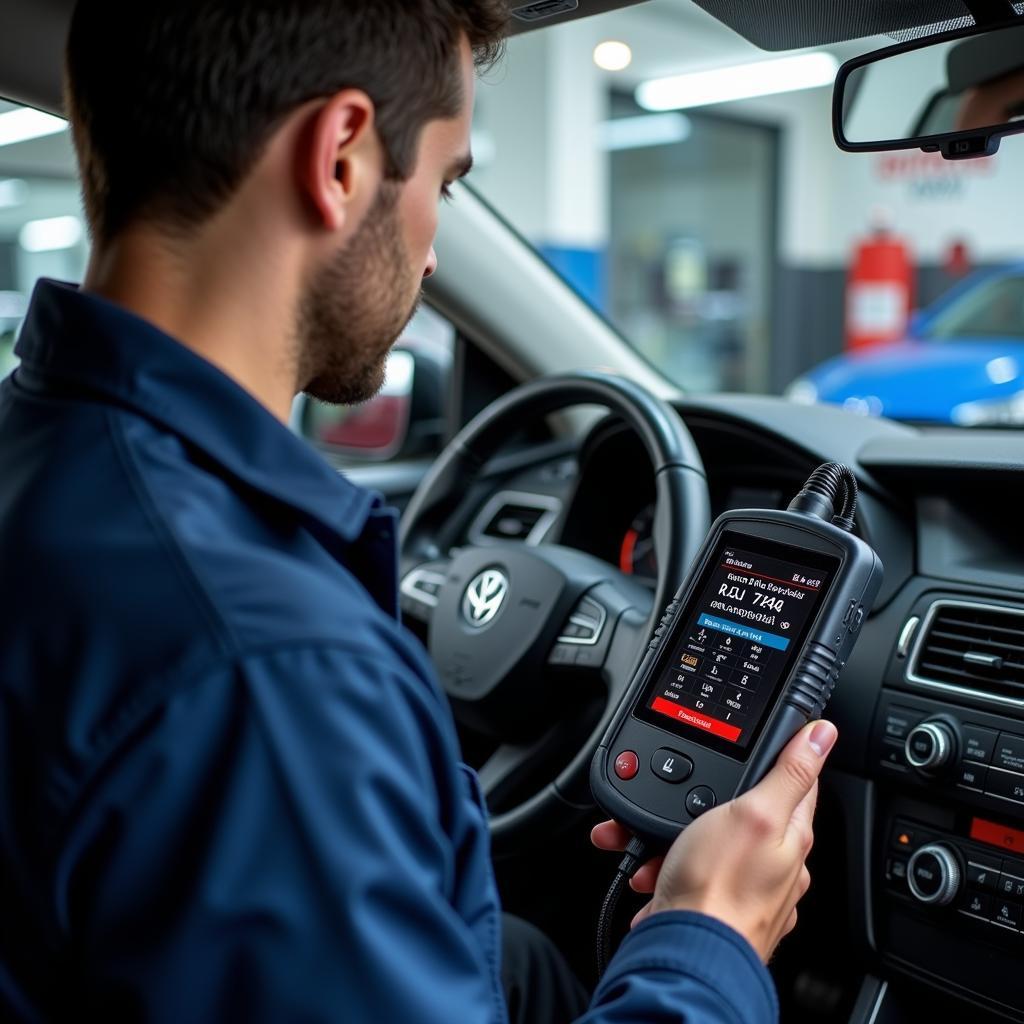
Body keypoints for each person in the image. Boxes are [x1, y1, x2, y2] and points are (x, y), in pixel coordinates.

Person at [0, 2, 837, 1021]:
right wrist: (709, 936)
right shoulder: (272, 670)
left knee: (521, 959)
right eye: (444, 182)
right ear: (342, 156)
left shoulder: (41, 461)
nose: (434, 252)